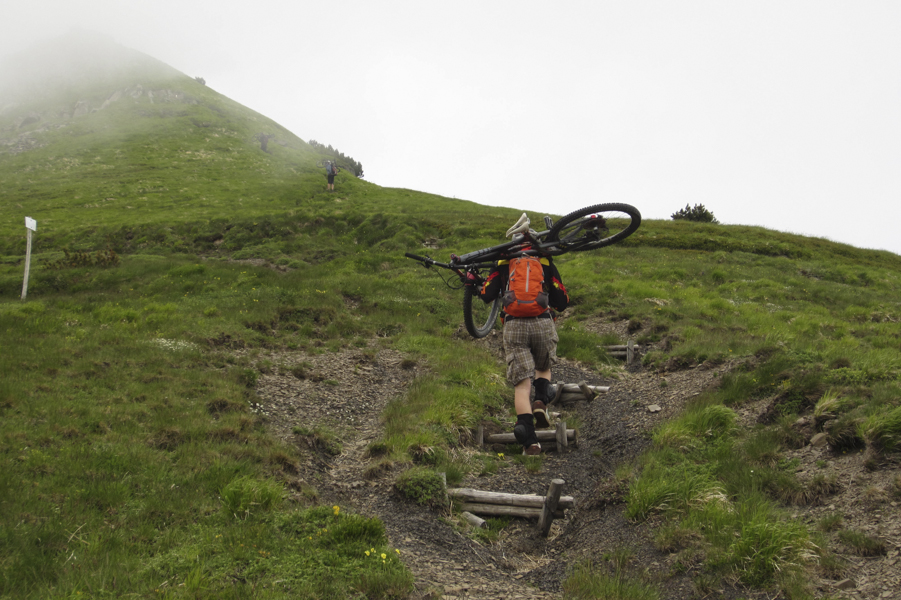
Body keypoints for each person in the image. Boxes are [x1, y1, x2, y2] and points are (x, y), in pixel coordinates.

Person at [479, 217, 569, 455]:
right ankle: (541, 400)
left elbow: (487, 294)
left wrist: (474, 283)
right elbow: (561, 301)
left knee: (521, 384)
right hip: (542, 323)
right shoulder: (544, 259)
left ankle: (529, 440)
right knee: (543, 366)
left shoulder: (503, 260)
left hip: (514, 325)